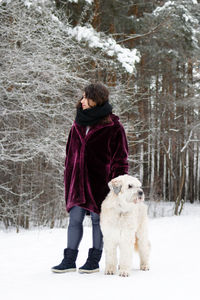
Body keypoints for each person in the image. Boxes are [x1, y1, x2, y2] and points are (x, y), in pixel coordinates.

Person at [51, 83, 128, 274]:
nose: (82, 101)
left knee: (97, 220)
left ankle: (93, 260)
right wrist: (68, 177)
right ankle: (69, 260)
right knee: (74, 219)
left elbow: (120, 159)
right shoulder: (77, 123)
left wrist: (117, 188)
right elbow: (69, 154)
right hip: (76, 181)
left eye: (86, 97)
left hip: (101, 183)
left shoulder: (114, 126)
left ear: (96, 100)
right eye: (82, 97)